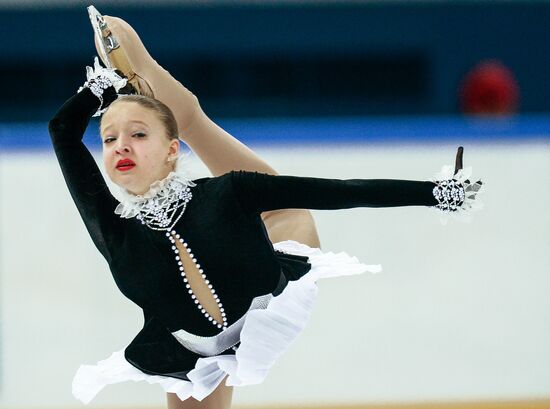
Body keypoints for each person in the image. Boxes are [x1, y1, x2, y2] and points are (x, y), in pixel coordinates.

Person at [48, 9, 483, 409]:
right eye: (108, 139)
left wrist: (435, 192)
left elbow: (342, 192)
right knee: (197, 364)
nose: (120, 145)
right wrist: (98, 86)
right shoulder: (114, 230)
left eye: (138, 135)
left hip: (267, 302)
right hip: (189, 350)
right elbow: (63, 131)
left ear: (169, 150)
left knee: (289, 209)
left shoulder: (226, 194)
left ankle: (180, 110)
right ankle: (160, 102)